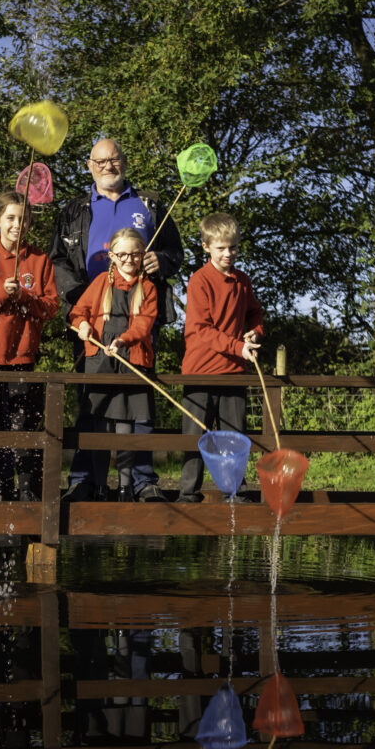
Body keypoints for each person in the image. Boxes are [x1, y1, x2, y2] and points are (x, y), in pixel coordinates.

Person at [50, 138, 183, 502]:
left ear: (125, 162)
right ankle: (86, 480)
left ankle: (140, 481)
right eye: (101, 161)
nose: (109, 166)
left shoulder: (151, 203)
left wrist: (163, 262)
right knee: (92, 403)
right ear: (90, 165)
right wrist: (82, 304)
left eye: (115, 159)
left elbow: (175, 252)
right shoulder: (74, 209)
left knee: (137, 404)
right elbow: (58, 260)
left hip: (141, 314)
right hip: (94, 318)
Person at [0, 190, 59, 501]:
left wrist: (23, 296)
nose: (16, 225)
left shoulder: (39, 259)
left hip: (23, 355)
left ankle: (25, 487)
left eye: (22, 219)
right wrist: (1, 292)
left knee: (24, 423)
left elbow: (50, 307)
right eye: (10, 218)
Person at [179, 212, 264, 502]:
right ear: (206, 247)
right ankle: (188, 493)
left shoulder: (243, 280)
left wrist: (254, 332)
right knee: (194, 436)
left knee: (234, 438)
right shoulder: (199, 280)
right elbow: (201, 329)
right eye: (221, 248)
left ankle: (234, 491)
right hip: (199, 371)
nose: (228, 254)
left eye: (233, 247)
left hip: (233, 373)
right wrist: (237, 346)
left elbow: (255, 313)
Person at [68, 228, 158, 500]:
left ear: (143, 255)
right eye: (122, 254)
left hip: (131, 358)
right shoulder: (100, 283)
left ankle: (125, 486)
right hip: (100, 360)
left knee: (127, 427)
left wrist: (122, 341)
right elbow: (78, 311)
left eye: (135, 254)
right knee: (100, 426)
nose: (128, 259)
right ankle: (98, 486)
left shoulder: (149, 288)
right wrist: (82, 324)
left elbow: (143, 326)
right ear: (111, 256)